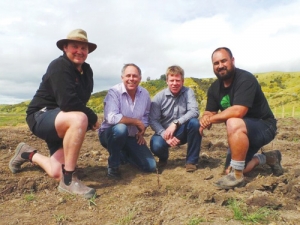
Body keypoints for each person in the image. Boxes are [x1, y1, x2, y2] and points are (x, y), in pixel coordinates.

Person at [9, 29, 99, 199]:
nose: (80, 51)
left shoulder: (87, 71)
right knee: (80, 118)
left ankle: (27, 153)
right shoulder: (59, 65)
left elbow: (80, 101)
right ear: (65, 47)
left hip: (62, 119)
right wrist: (92, 118)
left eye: (84, 48)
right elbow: (69, 102)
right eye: (75, 46)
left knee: (56, 171)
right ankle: (68, 180)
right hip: (42, 115)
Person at [200, 47, 283, 190]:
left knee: (233, 121)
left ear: (232, 61)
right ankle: (268, 158)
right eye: (216, 63)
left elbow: (239, 111)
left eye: (223, 61)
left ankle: (237, 176)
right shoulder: (214, 88)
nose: (220, 66)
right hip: (240, 132)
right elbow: (209, 112)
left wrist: (211, 119)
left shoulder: (245, 79)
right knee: (228, 170)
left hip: (264, 126)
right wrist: (205, 119)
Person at [98, 63, 156, 179]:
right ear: (122, 78)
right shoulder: (114, 92)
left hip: (132, 136)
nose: (131, 79)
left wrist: (142, 128)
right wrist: (135, 122)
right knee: (120, 129)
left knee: (150, 166)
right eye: (128, 75)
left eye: (134, 76)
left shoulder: (144, 94)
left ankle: (124, 155)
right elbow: (112, 117)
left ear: (140, 78)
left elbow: (146, 114)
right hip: (110, 134)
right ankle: (113, 166)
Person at [149, 65, 202, 172]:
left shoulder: (188, 92)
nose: (174, 83)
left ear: (182, 81)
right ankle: (163, 158)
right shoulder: (158, 97)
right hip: (165, 132)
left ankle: (191, 161)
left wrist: (176, 123)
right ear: (167, 81)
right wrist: (164, 134)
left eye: (177, 80)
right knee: (156, 145)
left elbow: (194, 111)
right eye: (171, 80)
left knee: (195, 123)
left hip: (183, 131)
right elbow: (153, 120)